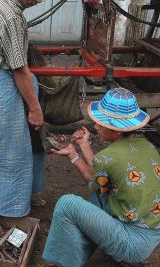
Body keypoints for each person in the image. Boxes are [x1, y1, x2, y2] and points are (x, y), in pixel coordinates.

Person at [0, 0, 62, 217]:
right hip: (2, 91)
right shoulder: (11, 16)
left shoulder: (0, 0)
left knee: (23, 147)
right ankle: (8, 212)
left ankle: (22, 198)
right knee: (8, 156)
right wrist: (35, 109)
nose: (40, 0)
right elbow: (19, 69)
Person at [43, 87, 160, 266]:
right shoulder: (146, 145)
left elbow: (94, 177)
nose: (96, 126)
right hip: (151, 234)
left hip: (132, 243)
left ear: (118, 130)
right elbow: (101, 173)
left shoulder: (109, 157)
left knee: (67, 204)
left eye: (102, 123)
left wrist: (75, 154)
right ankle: (87, 248)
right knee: (99, 193)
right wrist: (77, 150)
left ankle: (66, 262)